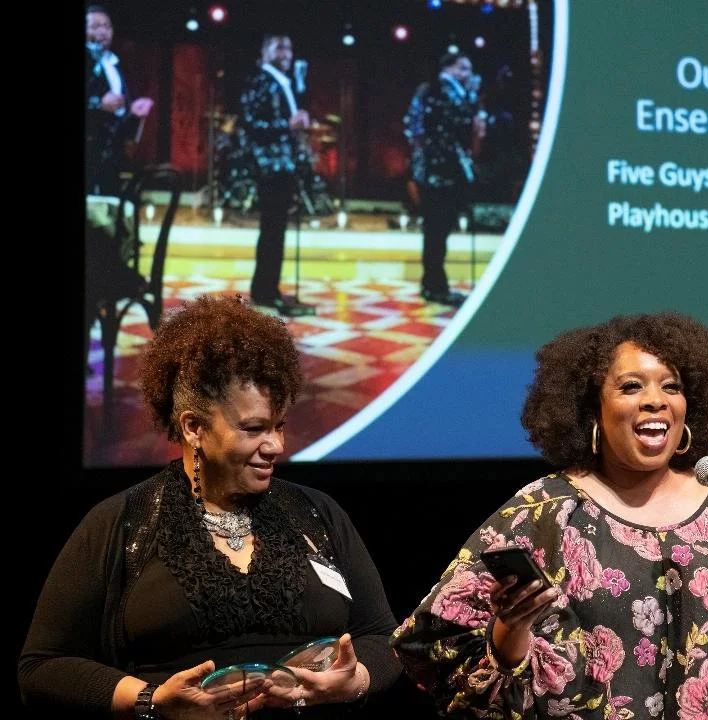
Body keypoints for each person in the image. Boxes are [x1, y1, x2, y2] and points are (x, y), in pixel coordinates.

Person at [390, 312, 708, 719]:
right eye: (631, 386)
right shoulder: (544, 513)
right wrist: (510, 630)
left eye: (671, 386)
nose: (655, 399)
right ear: (593, 412)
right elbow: (439, 652)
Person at [21, 294, 402, 717]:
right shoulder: (123, 523)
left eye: (279, 426)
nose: (275, 445)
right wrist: (152, 700)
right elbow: (43, 668)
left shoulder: (317, 514)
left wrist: (356, 680)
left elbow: (382, 637)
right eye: (254, 428)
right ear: (193, 427)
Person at [239, 33, 316, 316]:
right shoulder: (260, 80)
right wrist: (287, 124)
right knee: (272, 229)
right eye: (279, 47)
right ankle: (265, 290)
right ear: (264, 51)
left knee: (276, 229)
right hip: (269, 164)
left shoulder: (285, 81)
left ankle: (269, 288)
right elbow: (250, 122)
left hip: (283, 163)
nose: (287, 53)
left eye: (289, 47)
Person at [404, 51, 487, 308]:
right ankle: (435, 285)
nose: (468, 74)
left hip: (441, 170)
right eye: (463, 68)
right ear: (448, 68)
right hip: (439, 172)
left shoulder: (443, 92)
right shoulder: (440, 91)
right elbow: (449, 126)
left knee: (438, 229)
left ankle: (434, 283)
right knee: (437, 230)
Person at [85, 4, 154, 196]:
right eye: (95, 26)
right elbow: (99, 103)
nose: (103, 31)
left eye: (107, 26)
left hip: (110, 154)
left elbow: (115, 111)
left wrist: (132, 111)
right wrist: (97, 104)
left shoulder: (114, 63)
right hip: (89, 149)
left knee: (110, 206)